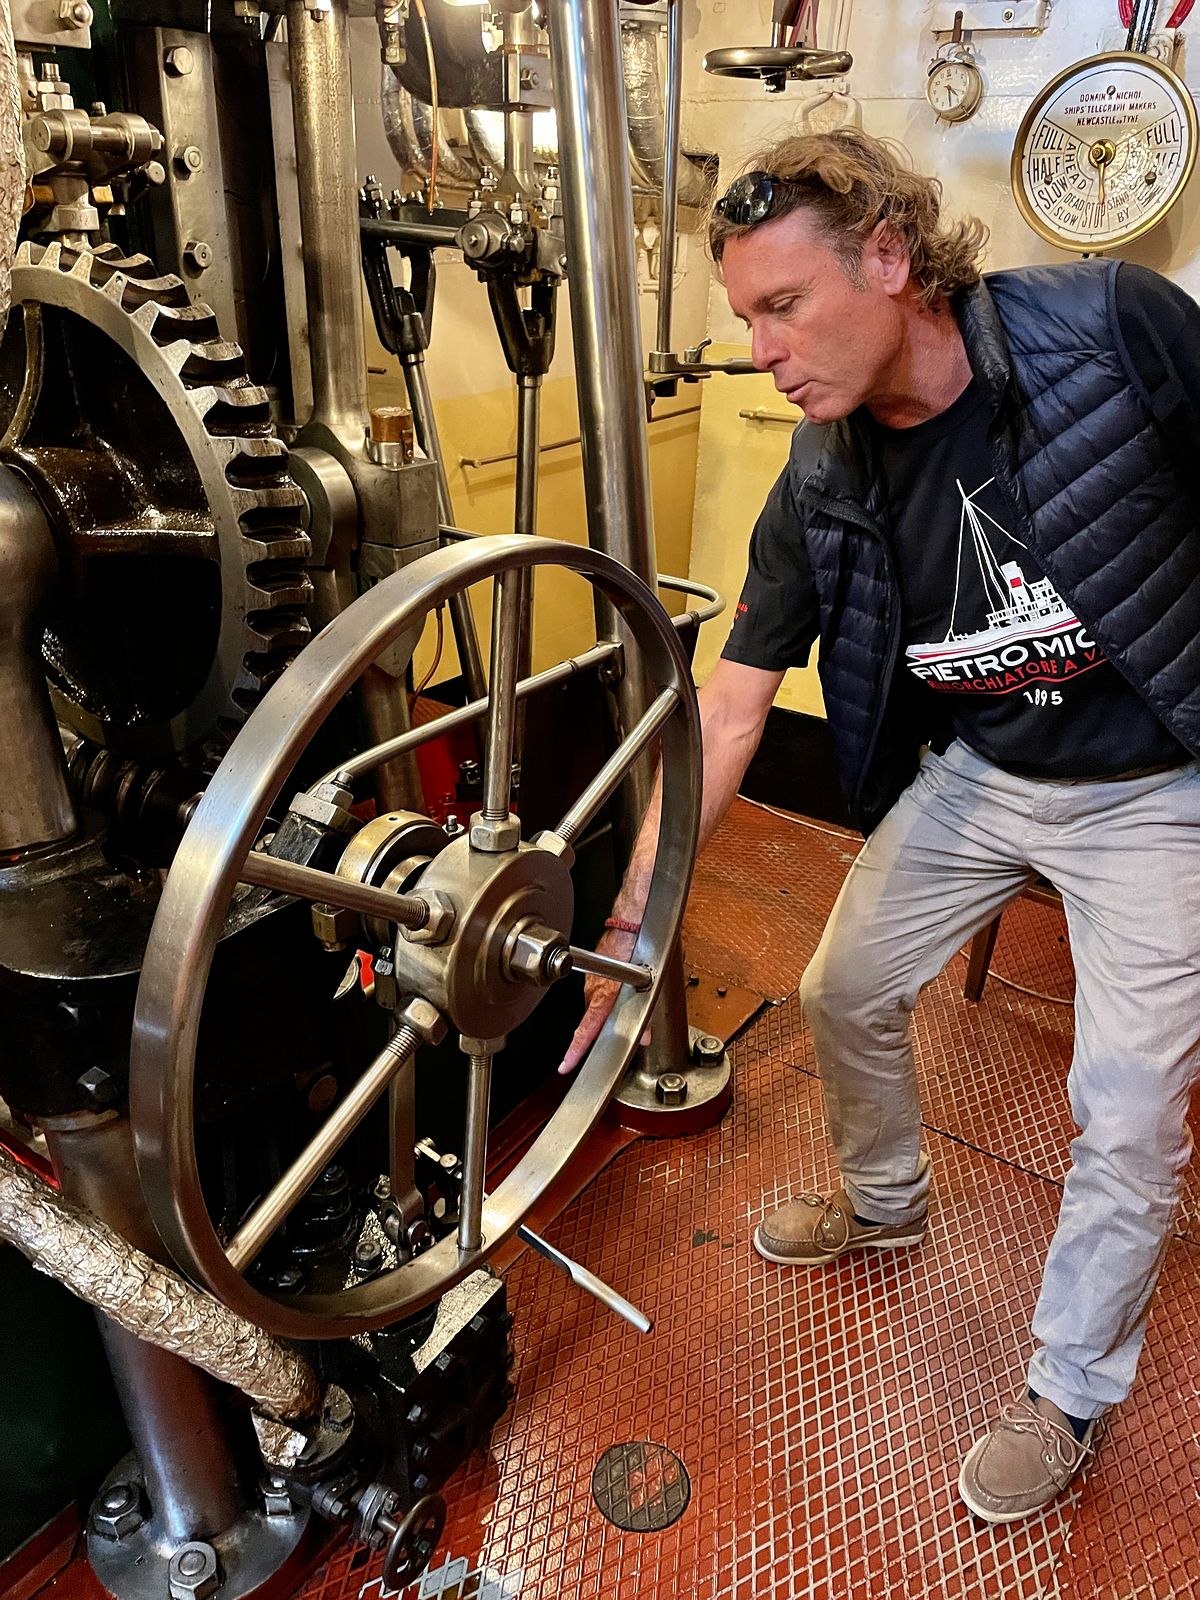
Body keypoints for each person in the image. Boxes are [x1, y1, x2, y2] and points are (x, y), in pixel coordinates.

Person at [559, 127, 1200, 1525]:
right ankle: (884, 1197)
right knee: (840, 984)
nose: (760, 351)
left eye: (782, 307)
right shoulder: (821, 478)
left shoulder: (1108, 330)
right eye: (745, 320)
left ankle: (1070, 1389)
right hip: (985, 769)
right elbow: (728, 714)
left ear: (893, 262)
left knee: (1131, 1110)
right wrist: (631, 916)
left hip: (1156, 784)